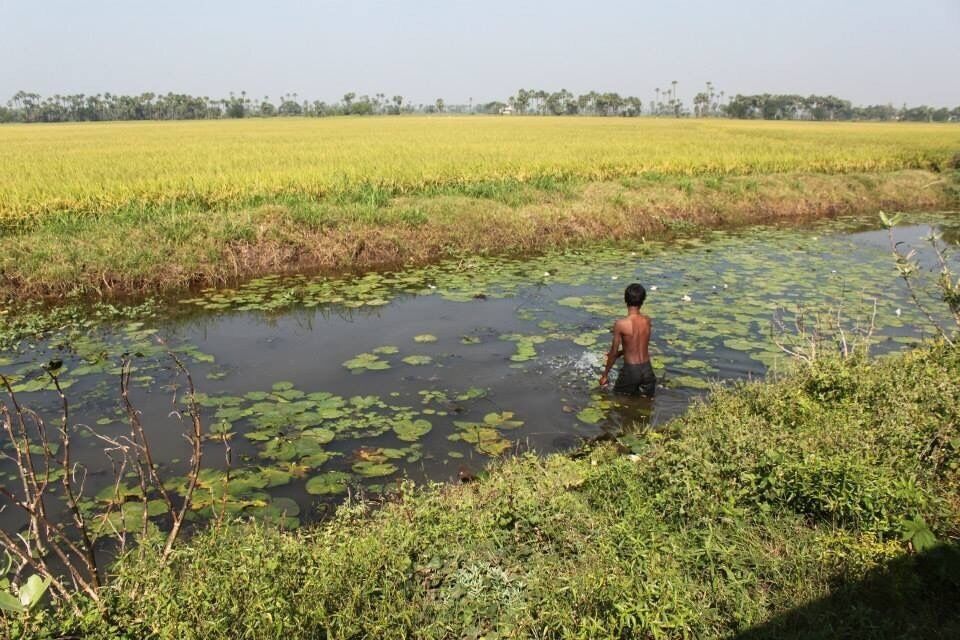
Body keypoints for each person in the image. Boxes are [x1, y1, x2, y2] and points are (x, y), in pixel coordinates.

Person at [599, 283, 656, 396]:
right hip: (647, 370)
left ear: (625, 299)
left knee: (617, 402)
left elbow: (613, 352)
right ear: (643, 300)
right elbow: (637, 345)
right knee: (645, 405)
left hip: (631, 371)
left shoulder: (621, 324)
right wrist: (621, 353)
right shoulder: (647, 321)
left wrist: (605, 375)